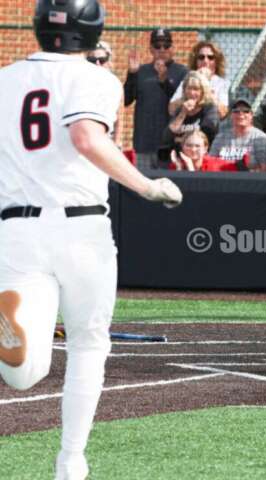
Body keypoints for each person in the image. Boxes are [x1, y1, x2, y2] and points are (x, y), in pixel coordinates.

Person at [0, 2, 183, 479]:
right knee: (88, 345)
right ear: (91, 29)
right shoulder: (95, 78)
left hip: (17, 227)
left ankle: (14, 345)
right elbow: (85, 137)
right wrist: (146, 186)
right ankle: (70, 463)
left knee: (25, 371)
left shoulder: (5, 78)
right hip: (81, 226)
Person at [124, 28, 188, 170]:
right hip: (144, 143)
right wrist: (132, 74)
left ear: (172, 48)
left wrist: (165, 80)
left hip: (169, 146)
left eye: (166, 45)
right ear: (151, 49)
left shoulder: (182, 72)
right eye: (157, 46)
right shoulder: (141, 71)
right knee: (144, 188)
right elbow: (126, 100)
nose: (162, 49)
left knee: (168, 187)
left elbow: (179, 105)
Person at [161, 71, 221, 165]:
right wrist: (183, 113)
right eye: (189, 88)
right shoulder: (180, 109)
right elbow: (167, 136)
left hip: (200, 160)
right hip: (179, 160)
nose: (192, 93)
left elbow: (208, 131)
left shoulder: (209, 108)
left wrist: (180, 140)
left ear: (202, 92)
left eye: (196, 89)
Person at [168, 41, 230, 118]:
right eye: (201, 57)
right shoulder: (187, 81)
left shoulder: (222, 83)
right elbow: (171, 109)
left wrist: (205, 83)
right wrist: (186, 96)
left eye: (210, 57)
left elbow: (222, 113)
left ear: (216, 61)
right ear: (196, 61)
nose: (205, 61)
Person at [210, 98, 266, 171]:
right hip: (223, 179)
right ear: (231, 115)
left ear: (251, 115)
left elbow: (265, 170)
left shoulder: (262, 139)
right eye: (236, 111)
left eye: (246, 111)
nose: (241, 114)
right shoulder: (220, 138)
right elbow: (211, 163)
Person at [87, 41, 124, 148]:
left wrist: (116, 144)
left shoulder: (115, 84)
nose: (97, 64)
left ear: (109, 61)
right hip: (87, 139)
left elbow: (119, 117)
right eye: (92, 60)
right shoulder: (81, 83)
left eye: (102, 60)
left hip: (107, 140)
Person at [170, 130, 249, 171]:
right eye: (189, 145)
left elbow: (240, 165)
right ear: (182, 147)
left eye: (197, 146)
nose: (193, 149)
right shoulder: (176, 165)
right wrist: (179, 169)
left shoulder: (215, 164)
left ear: (205, 148)